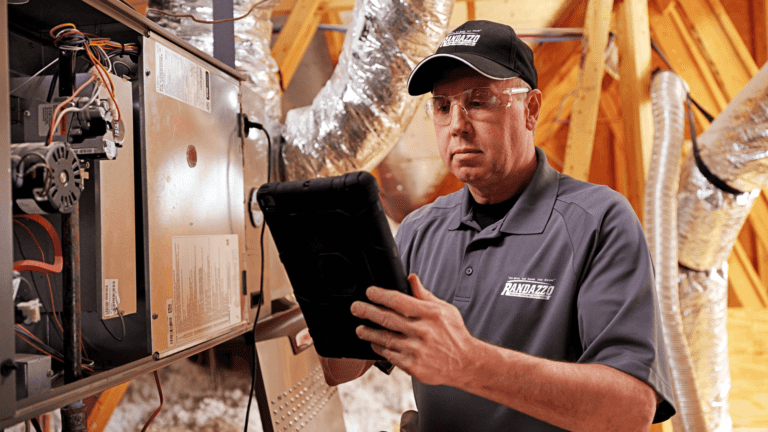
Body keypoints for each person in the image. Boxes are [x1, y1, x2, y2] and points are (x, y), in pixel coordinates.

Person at [319, 20, 676, 431]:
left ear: (531, 109)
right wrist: (324, 310)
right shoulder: (420, 230)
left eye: (480, 100)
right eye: (442, 106)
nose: (457, 124)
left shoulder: (597, 222)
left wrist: (469, 362)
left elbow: (630, 410)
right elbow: (343, 369)